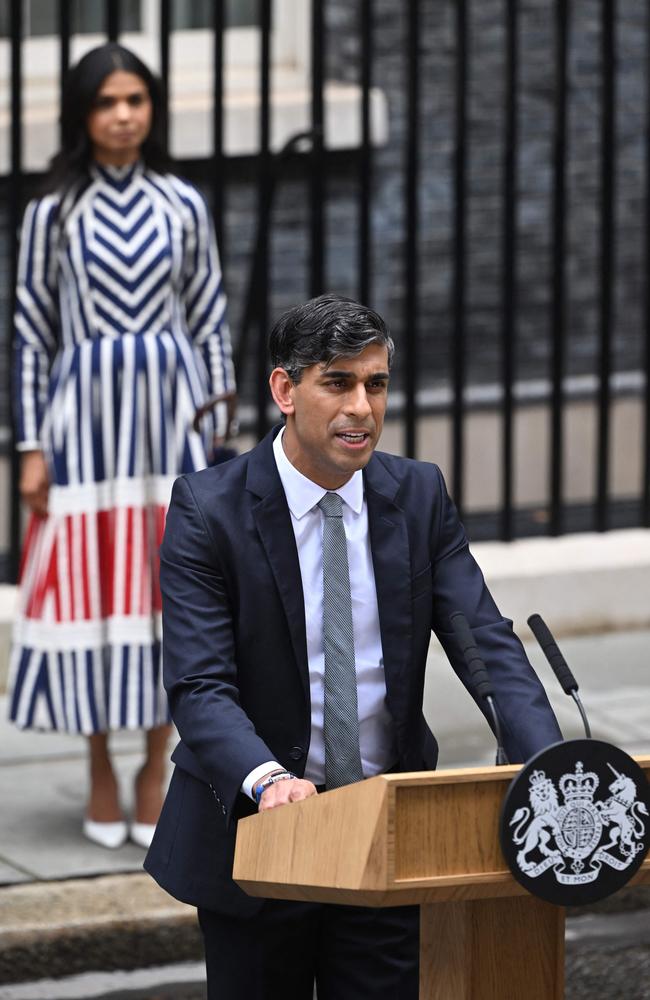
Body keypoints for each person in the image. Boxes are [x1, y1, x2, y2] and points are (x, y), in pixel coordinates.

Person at [144, 294, 562, 999]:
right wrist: (270, 781)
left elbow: (485, 642)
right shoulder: (207, 509)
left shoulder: (418, 494)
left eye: (376, 383)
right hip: (262, 839)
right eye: (337, 382)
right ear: (285, 389)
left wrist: (550, 762)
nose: (362, 407)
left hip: (383, 837)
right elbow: (200, 686)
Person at [8, 43, 235, 851]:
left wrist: (218, 432)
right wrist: (30, 445)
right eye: (107, 101)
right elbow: (31, 334)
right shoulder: (51, 213)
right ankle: (100, 762)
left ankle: (152, 766)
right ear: (83, 113)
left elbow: (209, 319)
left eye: (136, 98)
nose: (124, 115)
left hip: (170, 426)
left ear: (152, 108)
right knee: (89, 591)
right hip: (82, 433)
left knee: (168, 592)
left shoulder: (183, 203)